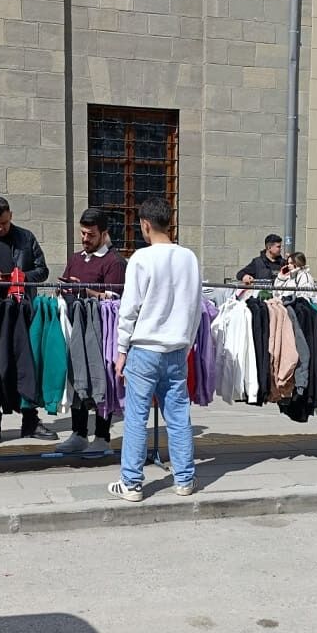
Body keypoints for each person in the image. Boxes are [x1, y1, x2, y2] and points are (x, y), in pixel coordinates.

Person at [108, 197, 203, 503]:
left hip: (144, 348)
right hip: (176, 348)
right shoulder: (189, 258)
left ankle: (132, 483)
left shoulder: (141, 258)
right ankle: (184, 479)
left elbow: (129, 309)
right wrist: (186, 343)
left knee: (136, 416)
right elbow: (195, 308)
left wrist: (121, 350)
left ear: (145, 225)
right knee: (178, 416)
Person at [0, 196, 57, 442]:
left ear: (10, 215)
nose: (0, 228)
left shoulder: (26, 237)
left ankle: (30, 421)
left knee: (25, 364)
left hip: (22, 309)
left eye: (3, 223)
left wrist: (22, 276)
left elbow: (42, 269)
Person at [58, 208, 127, 454]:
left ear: (104, 234)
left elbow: (115, 300)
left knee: (102, 378)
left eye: (91, 234)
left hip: (102, 331)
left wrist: (86, 291)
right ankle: (78, 433)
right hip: (77, 325)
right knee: (78, 376)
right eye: (83, 233)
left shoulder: (115, 262)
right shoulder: (76, 258)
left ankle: (102, 436)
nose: (85, 239)